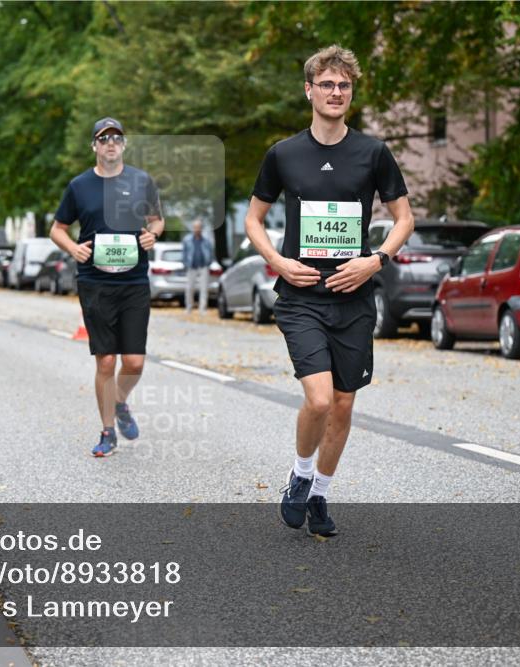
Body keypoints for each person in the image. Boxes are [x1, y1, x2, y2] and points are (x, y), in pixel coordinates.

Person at [244, 45, 413, 536]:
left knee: (343, 404)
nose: (336, 92)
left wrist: (374, 260)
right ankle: (299, 477)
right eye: (327, 84)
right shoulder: (284, 153)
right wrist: (277, 261)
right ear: (309, 90)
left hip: (354, 298)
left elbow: (404, 218)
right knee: (318, 400)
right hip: (301, 298)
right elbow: (255, 219)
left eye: (344, 86)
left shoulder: (373, 152)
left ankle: (320, 493)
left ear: (350, 93)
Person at [49, 117, 164, 457]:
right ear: (95, 146)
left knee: (134, 362)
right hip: (95, 282)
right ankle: (107, 432)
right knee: (105, 362)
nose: (110, 143)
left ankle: (120, 401)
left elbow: (157, 219)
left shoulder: (142, 182)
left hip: (133, 282)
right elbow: (57, 228)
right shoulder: (79, 186)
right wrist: (73, 248)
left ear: (123, 145)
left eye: (116, 138)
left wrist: (152, 234)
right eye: (104, 139)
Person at [181, 219, 214, 314]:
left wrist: (209, 263)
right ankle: (188, 308)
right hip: (191, 266)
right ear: (193, 228)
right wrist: (185, 264)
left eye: (199, 227)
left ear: (201, 228)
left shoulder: (206, 240)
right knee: (189, 288)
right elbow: (184, 253)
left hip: (203, 266)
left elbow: (211, 253)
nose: (197, 229)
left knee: (204, 288)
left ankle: (202, 309)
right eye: (195, 227)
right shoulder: (187, 240)